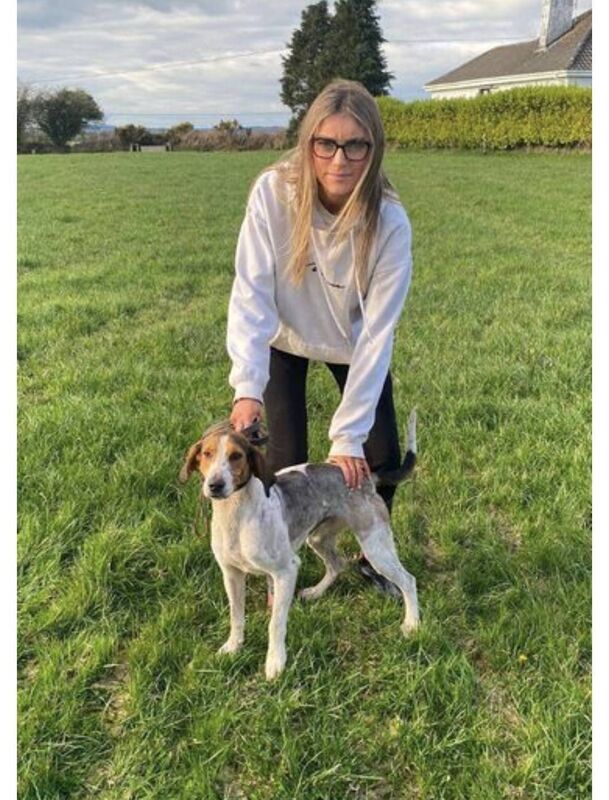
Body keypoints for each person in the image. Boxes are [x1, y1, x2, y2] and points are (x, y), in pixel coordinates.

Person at [226, 79, 412, 596]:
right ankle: (276, 554)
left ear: (374, 149)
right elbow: (251, 293)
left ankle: (373, 558)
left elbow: (378, 333)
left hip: (353, 344)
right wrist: (247, 384)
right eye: (325, 143)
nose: (339, 159)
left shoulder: (390, 222)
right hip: (283, 336)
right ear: (308, 142)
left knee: (380, 457)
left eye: (357, 144)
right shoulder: (274, 194)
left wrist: (348, 434)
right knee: (283, 461)